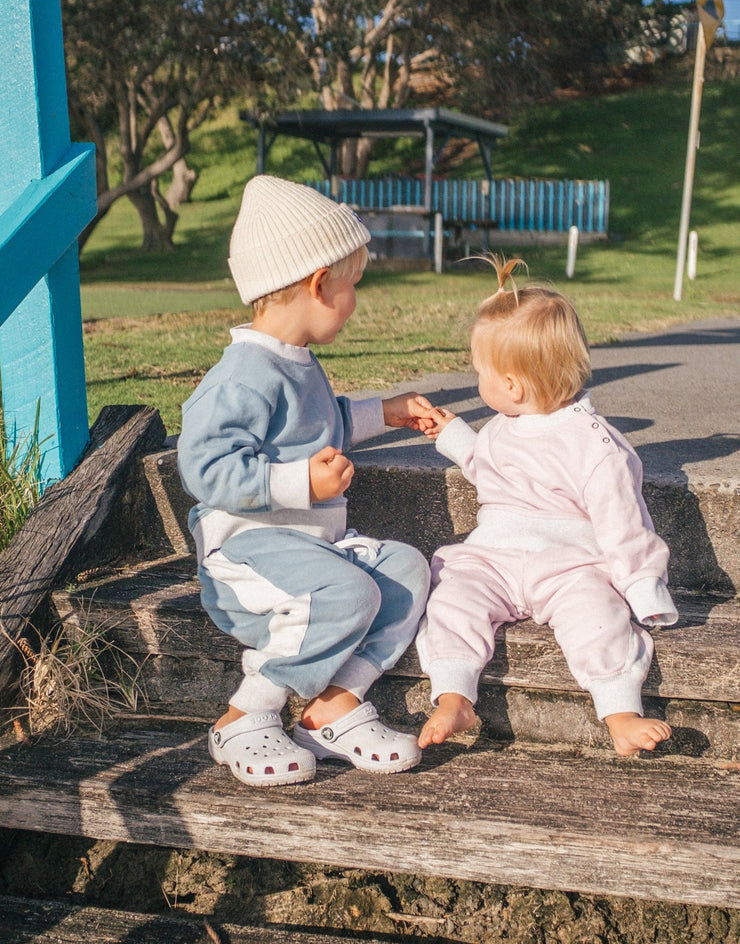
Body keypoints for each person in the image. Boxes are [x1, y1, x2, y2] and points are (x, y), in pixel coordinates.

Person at [178, 174, 433, 787]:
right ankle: (244, 715)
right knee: (348, 595)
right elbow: (204, 467)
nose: (355, 302)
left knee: (406, 569)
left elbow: (327, 421)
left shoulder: (295, 364)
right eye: (353, 287)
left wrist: (387, 413)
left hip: (307, 550)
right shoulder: (242, 374)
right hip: (247, 553)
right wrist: (300, 485)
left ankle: (333, 707)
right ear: (320, 284)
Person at [415, 256, 678, 757]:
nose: (478, 382)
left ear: (511, 384)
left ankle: (620, 708)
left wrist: (643, 587)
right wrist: (454, 435)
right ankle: (454, 695)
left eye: (480, 373)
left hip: (568, 565)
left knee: (597, 617)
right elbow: (490, 468)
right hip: (491, 556)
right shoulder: (502, 427)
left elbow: (622, 521)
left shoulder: (595, 445)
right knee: (452, 600)